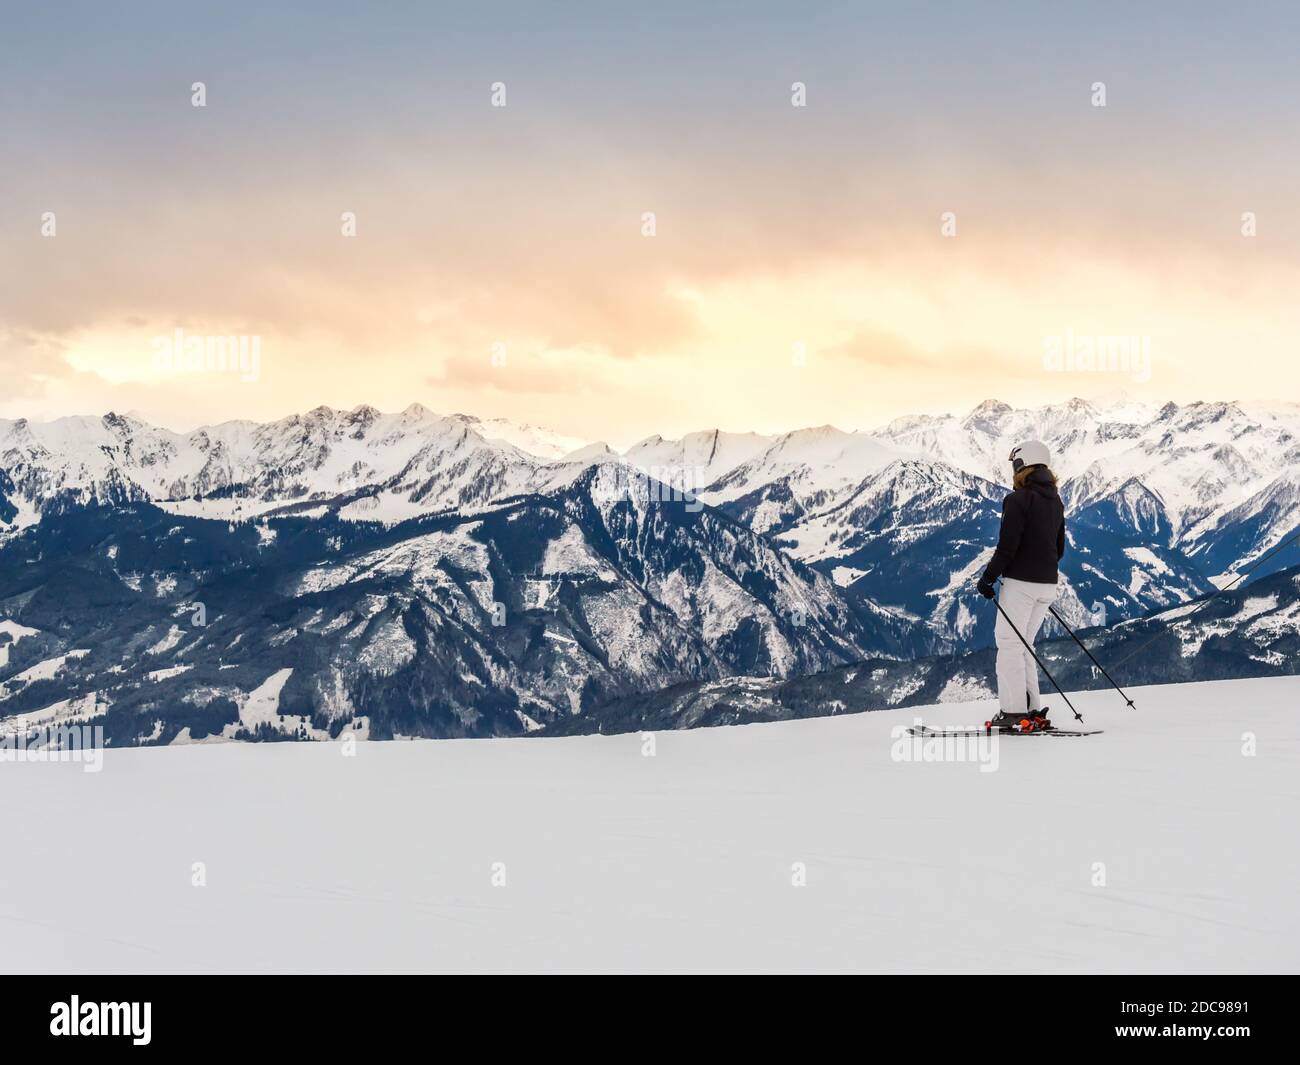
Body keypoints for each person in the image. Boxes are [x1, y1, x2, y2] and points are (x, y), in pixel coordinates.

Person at [975, 440, 1065, 731]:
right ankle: (1033, 711)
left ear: (1022, 465)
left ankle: (1014, 712)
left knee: (1009, 644)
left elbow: (1007, 548)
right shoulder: (1056, 501)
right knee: (1024, 644)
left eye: (1015, 465)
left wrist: (988, 577)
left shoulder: (1017, 500)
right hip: (1047, 585)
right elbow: (1059, 549)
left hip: (1021, 585)